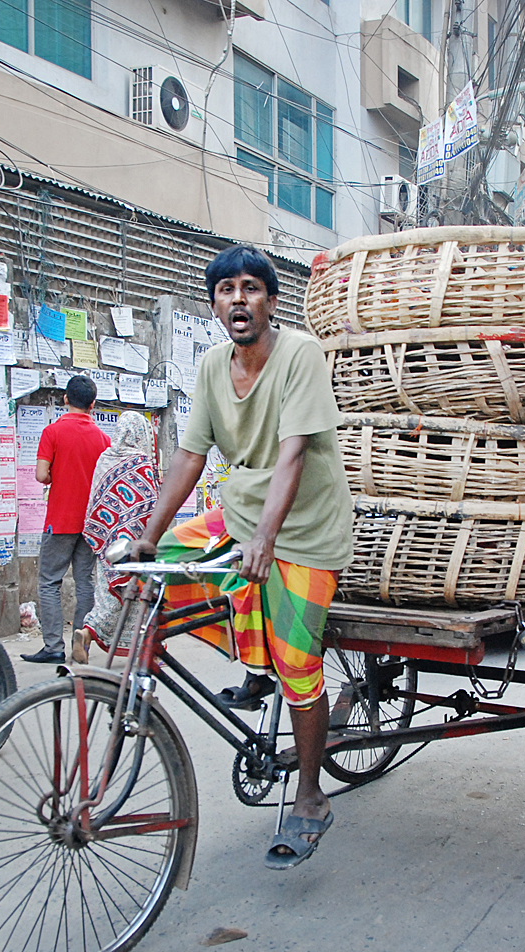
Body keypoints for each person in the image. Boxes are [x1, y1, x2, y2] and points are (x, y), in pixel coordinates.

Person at [128, 244, 353, 870]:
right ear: (214, 305)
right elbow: (189, 457)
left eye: (251, 288)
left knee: (301, 663)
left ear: (271, 301)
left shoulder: (300, 354)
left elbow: (294, 454)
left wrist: (266, 540)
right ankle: (242, 659)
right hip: (246, 515)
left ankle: (310, 795)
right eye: (225, 290)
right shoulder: (209, 367)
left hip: (306, 528)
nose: (238, 300)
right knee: (152, 574)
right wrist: (150, 533)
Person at [22, 374, 111, 664]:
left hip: (60, 519)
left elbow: (41, 475)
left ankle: (52, 647)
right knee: (85, 581)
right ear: (93, 405)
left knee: (49, 582)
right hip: (90, 523)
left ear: (65, 399)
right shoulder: (103, 439)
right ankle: (81, 643)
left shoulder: (53, 432)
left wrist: (57, 475)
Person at [71, 410, 159, 664]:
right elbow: (152, 504)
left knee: (109, 597)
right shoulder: (142, 463)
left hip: (108, 545)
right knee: (138, 597)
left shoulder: (105, 459)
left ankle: (87, 634)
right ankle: (144, 650)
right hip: (135, 544)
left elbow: (94, 503)